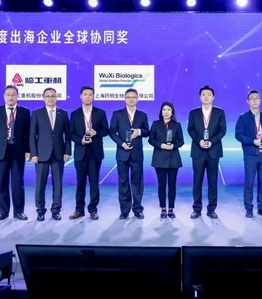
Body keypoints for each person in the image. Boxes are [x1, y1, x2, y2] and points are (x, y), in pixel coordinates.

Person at [0, 85, 31, 221]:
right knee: (2, 183)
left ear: (17, 96)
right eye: (8, 94)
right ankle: (3, 211)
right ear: (4, 96)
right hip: (1, 152)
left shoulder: (24, 112)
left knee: (18, 183)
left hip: (18, 152)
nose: (11, 97)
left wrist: (28, 150)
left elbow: (28, 134)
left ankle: (19, 211)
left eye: (13, 94)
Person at [29, 87, 71, 221]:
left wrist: (67, 151)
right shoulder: (37, 113)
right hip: (41, 155)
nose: (50, 98)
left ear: (56, 97)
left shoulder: (63, 113)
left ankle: (56, 210)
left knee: (57, 185)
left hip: (58, 154)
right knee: (40, 185)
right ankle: (40, 211)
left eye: (53, 96)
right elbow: (32, 136)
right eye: (48, 96)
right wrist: (34, 153)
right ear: (43, 98)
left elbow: (67, 135)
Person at [68, 85, 109, 221]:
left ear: (93, 96)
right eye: (85, 94)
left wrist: (96, 132)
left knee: (94, 182)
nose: (87, 97)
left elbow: (106, 130)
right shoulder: (74, 114)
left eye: (90, 94)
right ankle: (79, 210)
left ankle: (93, 209)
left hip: (95, 153)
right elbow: (71, 133)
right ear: (81, 96)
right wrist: (80, 140)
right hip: (80, 153)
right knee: (80, 182)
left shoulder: (100, 113)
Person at [109, 88, 150, 220]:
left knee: (137, 182)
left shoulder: (142, 115)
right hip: (122, 153)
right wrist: (122, 143)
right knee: (123, 182)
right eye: (128, 97)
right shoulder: (117, 114)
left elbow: (147, 132)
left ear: (137, 99)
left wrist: (139, 131)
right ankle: (124, 210)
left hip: (137, 154)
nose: (131, 99)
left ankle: (138, 209)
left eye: (133, 97)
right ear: (125, 99)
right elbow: (112, 132)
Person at [187, 85, 227, 219]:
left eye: (209, 94)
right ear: (200, 97)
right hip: (198, 151)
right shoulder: (193, 113)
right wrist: (199, 141)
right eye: (203, 94)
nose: (206, 97)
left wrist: (211, 142)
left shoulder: (219, 112)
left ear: (213, 97)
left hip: (213, 150)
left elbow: (223, 130)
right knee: (197, 182)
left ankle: (211, 209)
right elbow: (190, 129)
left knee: (212, 182)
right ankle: (196, 209)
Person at [234, 90, 262, 218]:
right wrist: (253, 141)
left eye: (257, 98)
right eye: (252, 98)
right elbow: (238, 135)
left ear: (260, 100)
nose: (255, 100)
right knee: (249, 182)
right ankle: (249, 208)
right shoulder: (243, 117)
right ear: (248, 101)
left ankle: (261, 207)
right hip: (250, 154)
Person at [148, 101, 185, 219]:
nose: (166, 112)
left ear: (172, 111)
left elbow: (181, 141)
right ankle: (163, 208)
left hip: (173, 159)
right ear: (161, 111)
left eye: (169, 109)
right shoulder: (155, 124)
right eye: (164, 109)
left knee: (172, 185)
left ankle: (171, 209)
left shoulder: (177, 125)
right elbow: (151, 140)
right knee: (162, 185)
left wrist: (173, 145)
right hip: (159, 158)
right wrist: (161, 145)